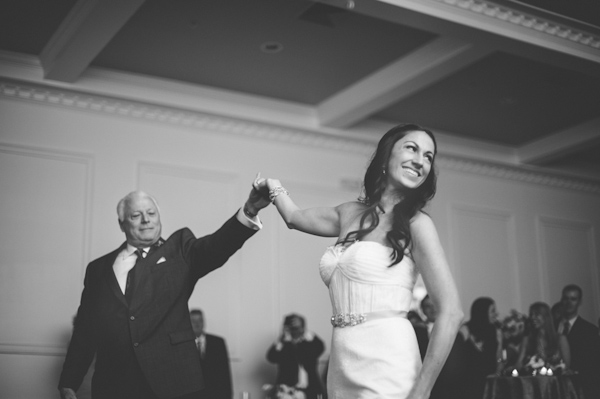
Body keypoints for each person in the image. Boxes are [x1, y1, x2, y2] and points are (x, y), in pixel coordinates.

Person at [256, 124, 463, 399]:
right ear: (386, 158)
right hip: (342, 364)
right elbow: (294, 218)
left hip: (390, 362)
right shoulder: (349, 213)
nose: (420, 160)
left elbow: (451, 312)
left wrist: (421, 393)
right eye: (412, 148)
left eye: (428, 156)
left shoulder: (417, 223)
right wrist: (273, 187)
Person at [58, 188, 270, 399]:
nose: (145, 221)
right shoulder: (98, 269)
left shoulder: (180, 250)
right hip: (113, 385)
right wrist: (69, 382)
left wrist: (249, 210)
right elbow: (85, 330)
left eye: (151, 214)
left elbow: (216, 246)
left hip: (172, 384)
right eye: (136, 215)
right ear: (122, 223)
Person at [417, 295, 468, 399]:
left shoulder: (455, 333)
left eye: (434, 305)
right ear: (423, 310)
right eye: (428, 306)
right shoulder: (417, 332)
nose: (432, 309)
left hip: (451, 388)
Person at [266, 314, 326, 399]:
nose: (294, 330)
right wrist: (281, 339)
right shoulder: (283, 344)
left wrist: (305, 332)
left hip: (311, 387)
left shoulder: (309, 342)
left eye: (297, 327)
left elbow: (321, 347)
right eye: (291, 327)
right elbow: (271, 357)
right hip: (287, 389)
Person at [559, 284, 600, 399]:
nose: (568, 302)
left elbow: (593, 363)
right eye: (566, 298)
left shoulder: (589, 330)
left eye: (573, 299)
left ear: (579, 302)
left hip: (580, 388)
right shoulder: (553, 326)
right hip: (556, 387)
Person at [459, 297, 503, 399]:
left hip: (490, 380)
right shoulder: (465, 330)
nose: (496, 314)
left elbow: (499, 356)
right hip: (469, 382)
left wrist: (497, 373)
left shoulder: (496, 331)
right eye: (492, 311)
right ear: (482, 313)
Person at [190, 309, 233, 399]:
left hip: (215, 394)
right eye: (193, 321)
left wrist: (228, 396)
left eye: (200, 320)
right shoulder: (182, 345)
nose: (197, 324)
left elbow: (225, 372)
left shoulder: (218, 342)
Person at [515, 302, 570, 371]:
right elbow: (519, 364)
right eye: (531, 315)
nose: (532, 318)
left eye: (536, 314)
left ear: (546, 317)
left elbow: (567, 366)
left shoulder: (560, 339)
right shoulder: (527, 339)